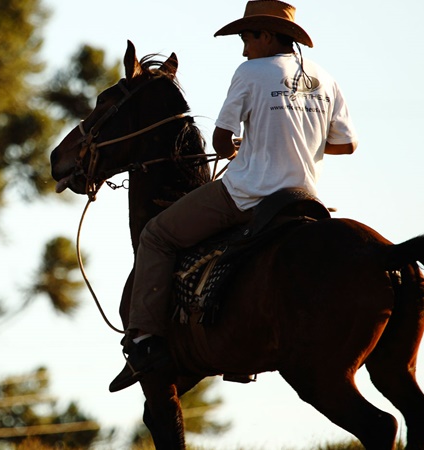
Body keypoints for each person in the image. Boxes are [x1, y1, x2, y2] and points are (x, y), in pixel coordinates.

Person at [109, 0, 358, 392]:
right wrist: (290, 140)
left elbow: (221, 141)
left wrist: (238, 148)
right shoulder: (324, 79)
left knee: (157, 235)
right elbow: (346, 145)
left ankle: (142, 341)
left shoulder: (251, 72)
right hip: (302, 198)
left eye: (246, 37)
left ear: (265, 34)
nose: (243, 49)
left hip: (247, 195)